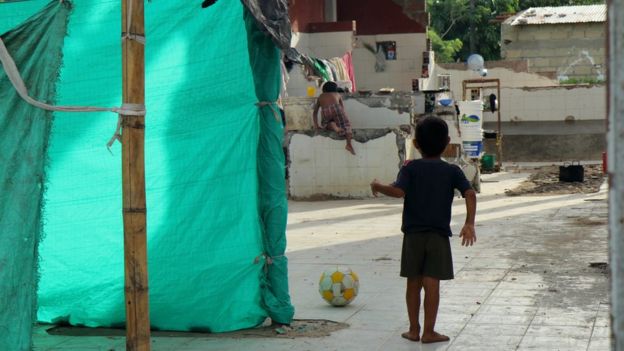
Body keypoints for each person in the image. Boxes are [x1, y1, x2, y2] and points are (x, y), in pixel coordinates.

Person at [370, 116, 477, 344]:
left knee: (413, 283)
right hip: (438, 236)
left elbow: (398, 192)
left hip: (413, 236)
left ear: (416, 144)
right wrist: (469, 223)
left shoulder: (410, 168)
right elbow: (470, 193)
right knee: (432, 285)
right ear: (447, 142)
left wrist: (378, 185)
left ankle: (413, 329)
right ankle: (429, 332)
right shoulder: (452, 171)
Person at [312, 81, 355, 155]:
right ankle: (348, 144)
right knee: (346, 125)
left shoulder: (321, 96)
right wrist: (342, 120)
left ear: (324, 89)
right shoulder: (337, 94)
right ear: (335, 89)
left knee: (327, 123)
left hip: (326, 110)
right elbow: (342, 108)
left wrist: (316, 125)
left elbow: (315, 112)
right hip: (337, 108)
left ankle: (335, 127)